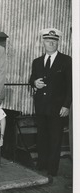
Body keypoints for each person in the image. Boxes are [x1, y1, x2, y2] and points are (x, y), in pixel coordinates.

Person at [29, 28, 72, 181]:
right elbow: (32, 79)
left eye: (54, 41)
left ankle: (52, 169)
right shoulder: (37, 62)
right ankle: (42, 164)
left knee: (55, 138)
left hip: (58, 108)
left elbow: (71, 85)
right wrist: (34, 83)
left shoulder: (67, 61)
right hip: (41, 107)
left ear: (58, 42)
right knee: (42, 137)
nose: (51, 43)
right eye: (48, 41)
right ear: (43, 42)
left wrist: (67, 105)